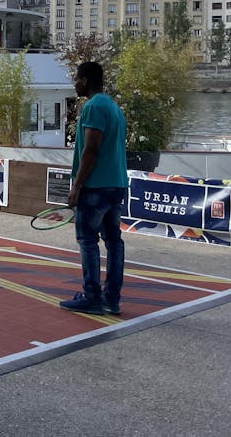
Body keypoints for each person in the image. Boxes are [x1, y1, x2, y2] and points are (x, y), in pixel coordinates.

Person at [61, 61, 128, 315]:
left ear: (86, 80)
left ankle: (91, 296)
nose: (75, 84)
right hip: (117, 183)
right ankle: (112, 298)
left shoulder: (93, 107)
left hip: (96, 186)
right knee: (113, 241)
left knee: (87, 240)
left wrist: (77, 185)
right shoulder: (113, 106)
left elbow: (91, 150)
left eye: (77, 79)